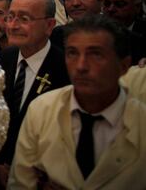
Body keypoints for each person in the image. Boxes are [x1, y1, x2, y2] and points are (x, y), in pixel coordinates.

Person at [8, 15, 146, 189]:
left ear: (124, 66)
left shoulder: (141, 124)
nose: (81, 66)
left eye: (96, 54)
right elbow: (20, 183)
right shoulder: (41, 109)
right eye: (72, 53)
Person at [0, 0, 70, 189]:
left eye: (24, 18)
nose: (13, 25)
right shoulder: (6, 57)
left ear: (49, 25)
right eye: (10, 17)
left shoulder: (65, 68)